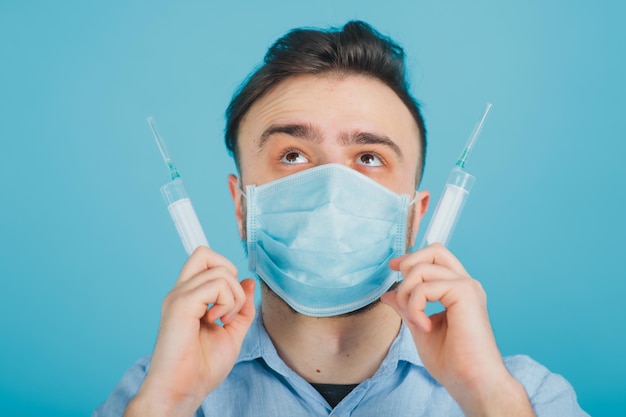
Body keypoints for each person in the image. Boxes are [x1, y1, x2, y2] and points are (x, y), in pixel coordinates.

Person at [94, 21, 588, 416]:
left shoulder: (527, 397)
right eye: (292, 155)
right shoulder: (153, 392)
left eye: (369, 157)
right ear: (242, 204)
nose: (332, 190)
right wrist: (166, 406)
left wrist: (488, 399)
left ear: (414, 216)